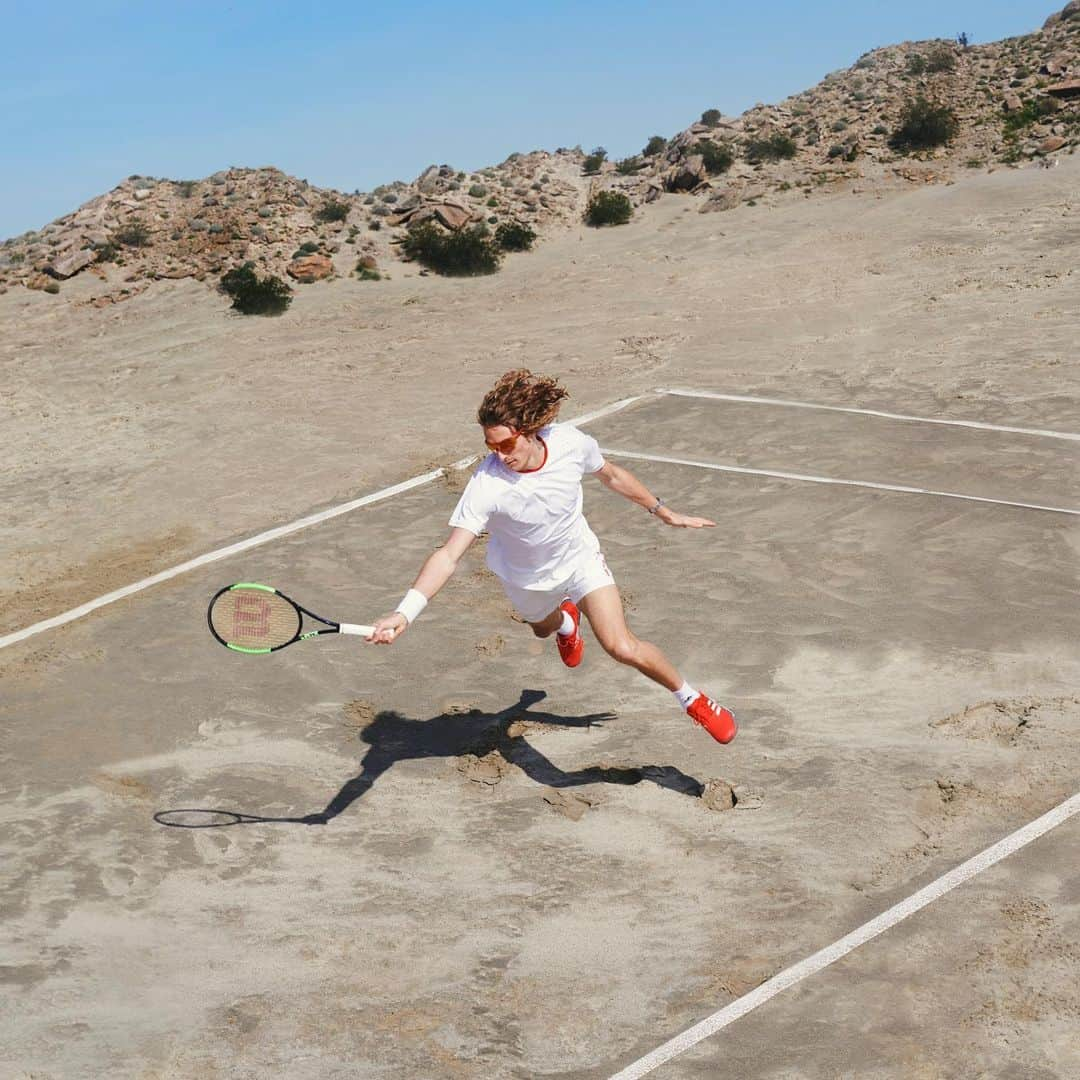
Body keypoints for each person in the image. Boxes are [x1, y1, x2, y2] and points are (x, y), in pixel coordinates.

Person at [368, 369, 737, 744]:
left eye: (506, 445)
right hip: (525, 578)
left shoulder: (569, 444)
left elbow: (610, 475)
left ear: (528, 431)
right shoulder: (487, 484)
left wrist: (663, 511)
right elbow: (448, 555)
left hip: (579, 559)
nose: (499, 455)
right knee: (542, 627)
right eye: (490, 446)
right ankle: (566, 625)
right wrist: (405, 612)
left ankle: (693, 699)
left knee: (620, 645)